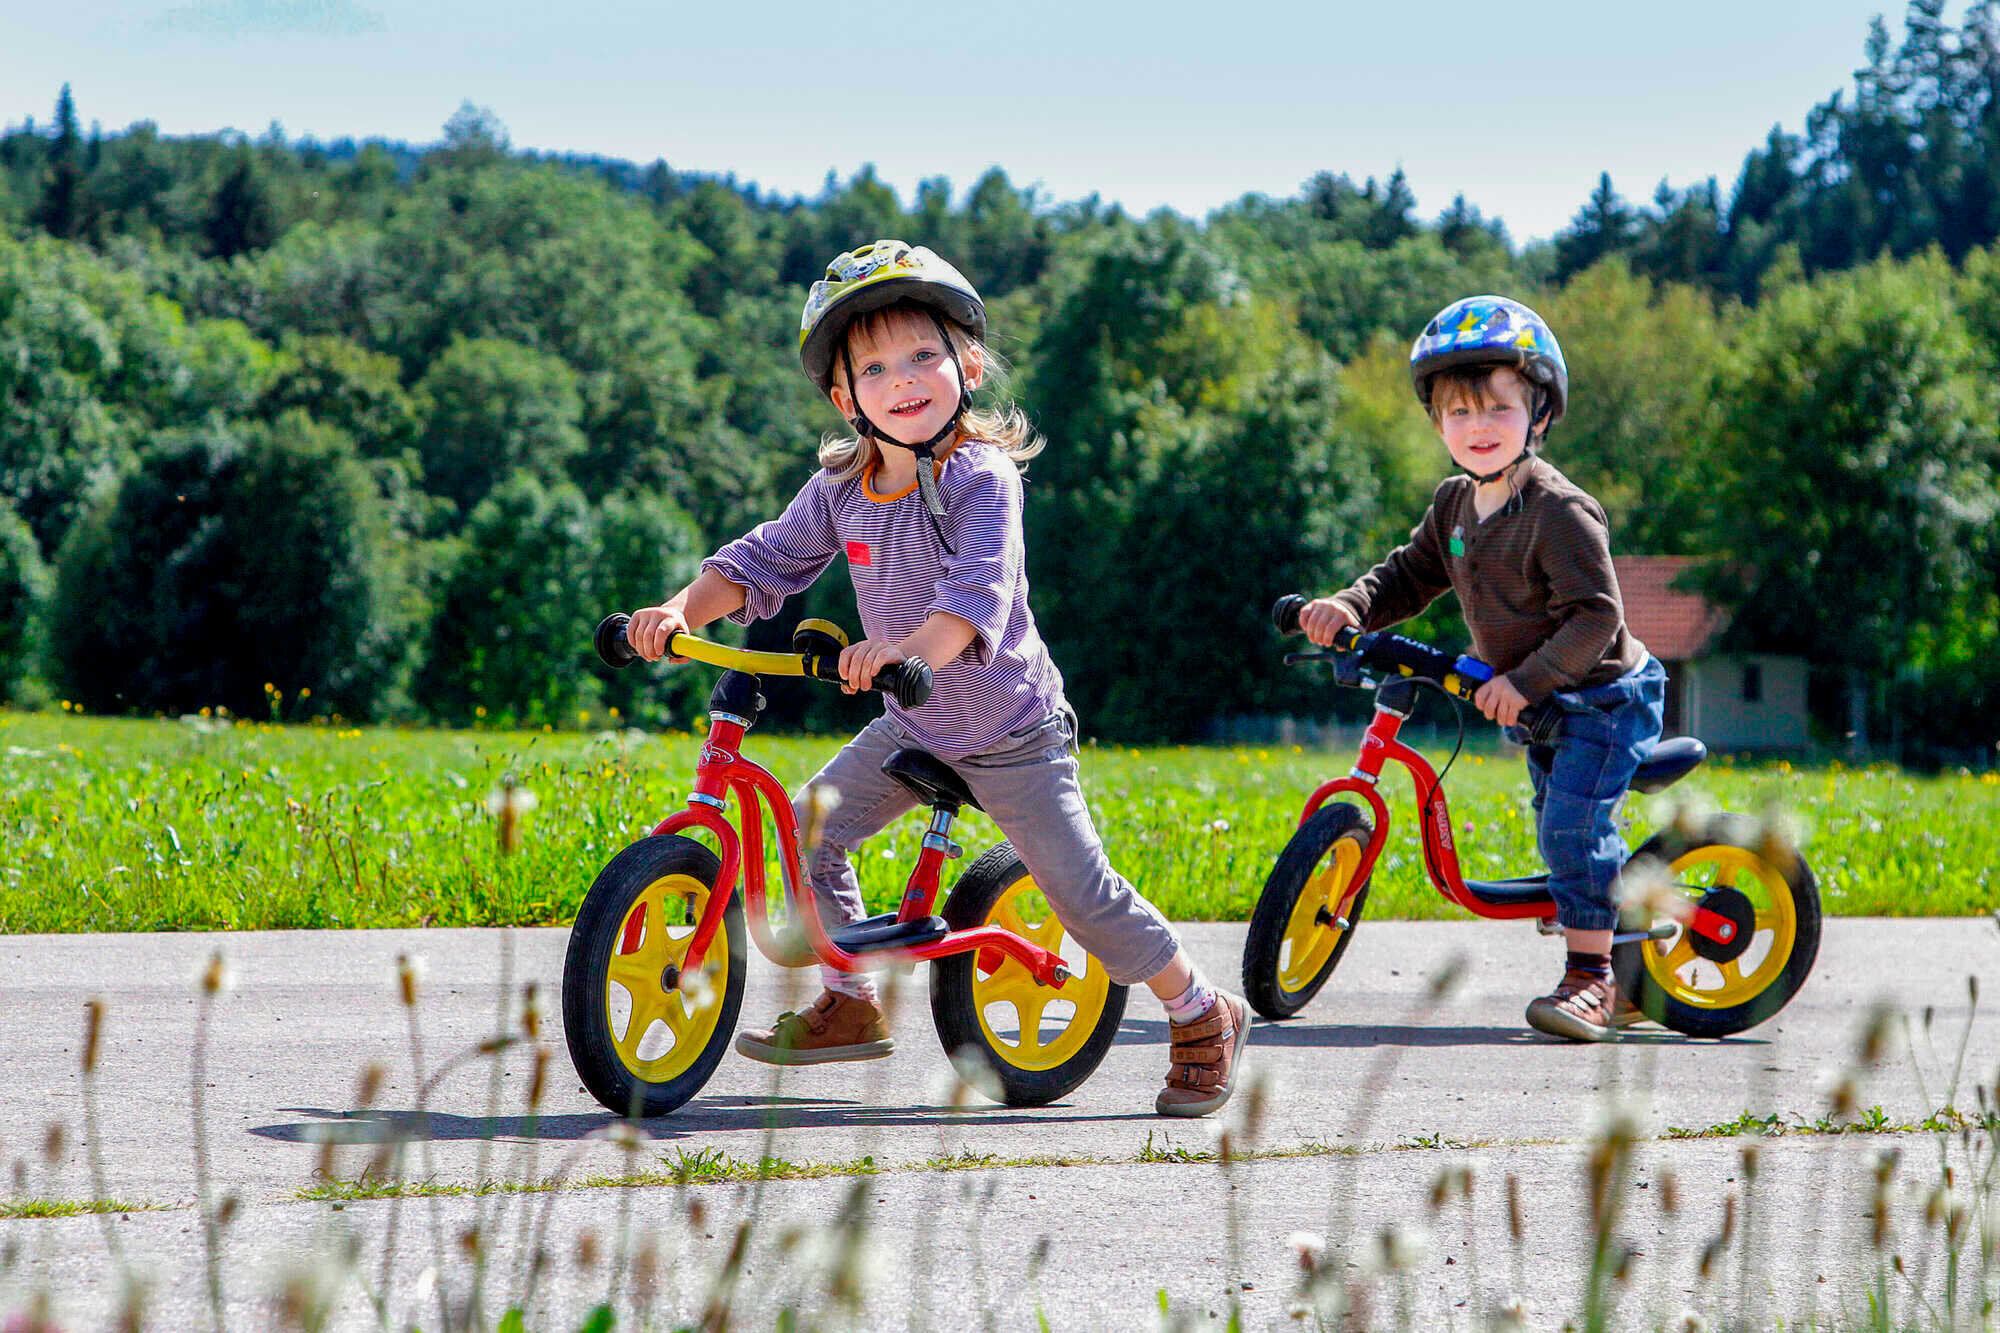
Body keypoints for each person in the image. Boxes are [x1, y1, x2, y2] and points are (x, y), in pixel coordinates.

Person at [624, 240, 1249, 1113]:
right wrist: (682, 607)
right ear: (846, 398)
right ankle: (851, 1003)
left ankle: (1200, 1009)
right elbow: (765, 558)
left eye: (924, 354)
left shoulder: (980, 478)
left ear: (971, 363)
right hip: (917, 722)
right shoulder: (841, 485)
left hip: (1012, 729)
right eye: (876, 367)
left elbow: (974, 599)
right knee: (812, 824)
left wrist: (904, 648)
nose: (904, 378)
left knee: (1083, 896)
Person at [1296, 295, 1665, 1042]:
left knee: (1570, 824)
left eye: (1499, 408)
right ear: (1437, 424)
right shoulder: (1455, 506)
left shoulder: (1560, 512)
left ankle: (1596, 981)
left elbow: (1597, 617)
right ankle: (1613, 934)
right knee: (1564, 829)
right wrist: (1351, 605)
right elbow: (1407, 575)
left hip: (1604, 695)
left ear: (1541, 414)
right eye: (1459, 412)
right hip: (1536, 700)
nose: (1479, 426)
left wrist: (1524, 680)